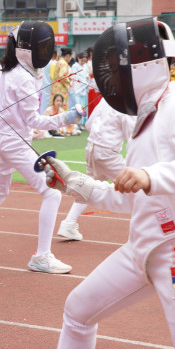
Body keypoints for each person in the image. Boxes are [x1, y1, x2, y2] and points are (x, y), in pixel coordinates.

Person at [0, 17, 175, 349]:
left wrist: (150, 176)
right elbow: (129, 197)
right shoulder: (145, 121)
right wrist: (75, 182)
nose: (112, 76)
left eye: (118, 67)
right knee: (78, 310)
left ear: (144, 65)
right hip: (142, 247)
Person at [0, 21, 83, 274]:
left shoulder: (7, 71)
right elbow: (34, 121)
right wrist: (66, 118)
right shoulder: (23, 78)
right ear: (26, 49)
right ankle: (42, 256)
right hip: (16, 144)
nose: (44, 52)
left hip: (1, 143)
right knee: (52, 193)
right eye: (41, 48)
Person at [56, 97, 135, 241]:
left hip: (91, 149)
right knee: (135, 185)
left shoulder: (106, 99)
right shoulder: (126, 104)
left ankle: (68, 224)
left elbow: (89, 125)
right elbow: (133, 136)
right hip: (107, 154)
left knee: (87, 188)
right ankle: (143, 230)